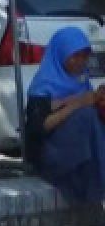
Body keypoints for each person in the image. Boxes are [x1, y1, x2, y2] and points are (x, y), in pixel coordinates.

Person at [24, 27, 105, 210]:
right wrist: (78, 104)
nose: (80, 62)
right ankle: (91, 205)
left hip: (79, 153)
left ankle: (93, 202)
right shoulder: (43, 86)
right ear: (60, 54)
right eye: (75, 56)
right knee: (86, 117)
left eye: (84, 56)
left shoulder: (80, 80)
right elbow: (39, 128)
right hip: (51, 155)